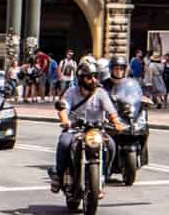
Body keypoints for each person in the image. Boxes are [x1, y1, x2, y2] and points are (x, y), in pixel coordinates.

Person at [50, 59, 125, 192]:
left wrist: (117, 123)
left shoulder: (101, 93)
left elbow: (111, 111)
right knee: (64, 143)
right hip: (75, 130)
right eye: (89, 77)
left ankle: (103, 176)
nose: (93, 80)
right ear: (81, 78)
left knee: (112, 145)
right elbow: (63, 108)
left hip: (96, 130)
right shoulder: (71, 92)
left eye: (95, 76)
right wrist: (65, 121)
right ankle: (58, 175)